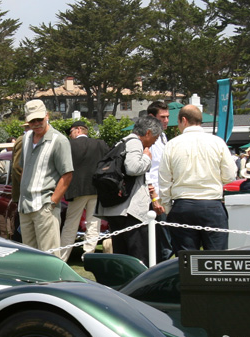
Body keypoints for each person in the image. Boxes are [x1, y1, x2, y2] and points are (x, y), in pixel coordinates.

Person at [158, 105, 235, 253]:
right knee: (217, 259)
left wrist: (167, 208)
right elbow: (230, 175)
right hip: (212, 204)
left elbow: (164, 180)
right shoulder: (217, 142)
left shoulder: (172, 144)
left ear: (184, 120)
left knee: (187, 262)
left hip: (183, 206)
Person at [96, 116, 161, 263]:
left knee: (122, 255)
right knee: (138, 256)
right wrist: (147, 159)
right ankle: (139, 284)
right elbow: (132, 168)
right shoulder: (135, 143)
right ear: (148, 133)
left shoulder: (122, 142)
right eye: (155, 137)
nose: (155, 141)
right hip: (130, 211)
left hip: (115, 208)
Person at [18, 100, 73, 254]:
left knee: (49, 257)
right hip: (25, 206)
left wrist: (52, 203)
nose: (36, 124)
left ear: (47, 116)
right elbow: (23, 168)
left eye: (39, 120)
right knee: (29, 256)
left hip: (44, 206)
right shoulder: (26, 138)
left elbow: (67, 175)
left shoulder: (59, 140)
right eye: (32, 121)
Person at [59, 120, 108, 261]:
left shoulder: (69, 145)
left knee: (71, 224)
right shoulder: (100, 144)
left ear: (78, 130)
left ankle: (63, 256)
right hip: (96, 188)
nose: (70, 135)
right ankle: (88, 255)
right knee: (94, 224)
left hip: (77, 190)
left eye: (71, 132)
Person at [143, 101, 173, 261]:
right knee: (162, 242)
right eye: (163, 117)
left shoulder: (162, 137)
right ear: (151, 117)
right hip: (153, 196)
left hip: (163, 194)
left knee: (165, 240)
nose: (166, 120)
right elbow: (146, 170)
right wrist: (154, 197)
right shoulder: (148, 138)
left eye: (167, 117)